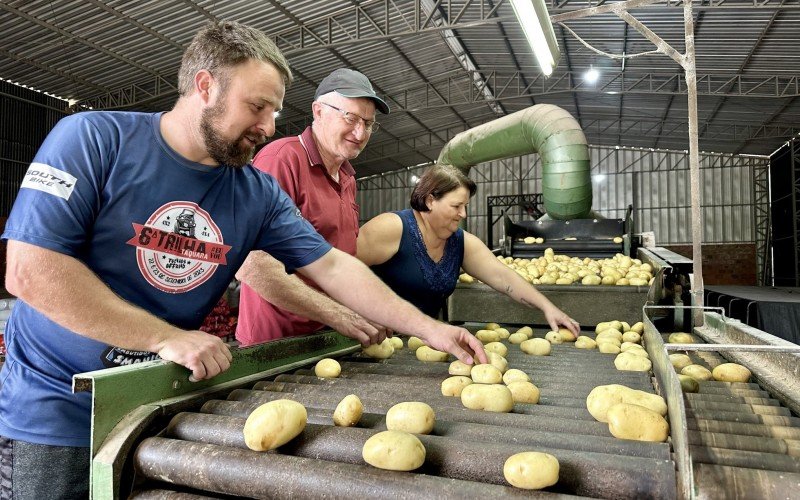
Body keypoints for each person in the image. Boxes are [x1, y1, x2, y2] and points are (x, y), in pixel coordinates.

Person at [0, 22, 485, 498]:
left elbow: (335, 267)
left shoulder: (255, 192)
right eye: (257, 107)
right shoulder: (92, 139)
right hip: (56, 406)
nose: (269, 126)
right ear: (205, 86)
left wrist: (429, 328)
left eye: (274, 111)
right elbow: (30, 271)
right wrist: (164, 337)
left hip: (160, 398)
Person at [236, 68, 389, 346]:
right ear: (318, 111)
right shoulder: (281, 160)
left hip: (328, 337)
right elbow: (249, 264)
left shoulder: (347, 178)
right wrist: (337, 313)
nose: (360, 132)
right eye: (351, 117)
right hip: (274, 345)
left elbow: (340, 261)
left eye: (368, 123)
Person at [357, 164, 581, 334]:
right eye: (456, 206)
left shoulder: (460, 242)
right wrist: (358, 315)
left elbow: (504, 278)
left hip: (420, 344)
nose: (463, 214)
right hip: (371, 341)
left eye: (465, 206)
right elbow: (336, 272)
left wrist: (548, 308)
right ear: (429, 201)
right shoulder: (391, 228)